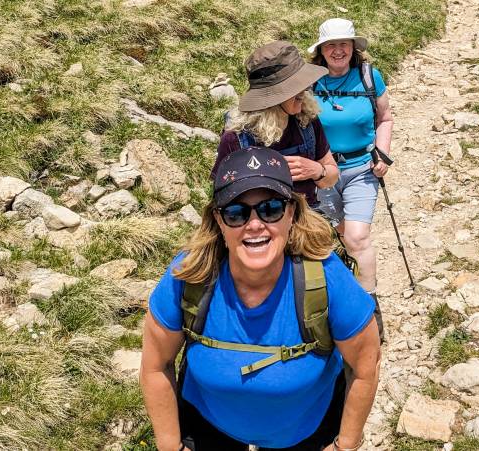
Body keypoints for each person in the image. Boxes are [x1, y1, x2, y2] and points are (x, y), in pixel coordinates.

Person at [141, 146, 380, 451]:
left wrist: (344, 445)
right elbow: (155, 365)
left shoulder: (327, 279)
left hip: (307, 430)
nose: (254, 224)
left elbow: (365, 366)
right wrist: (170, 446)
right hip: (208, 423)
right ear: (219, 221)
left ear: (291, 213)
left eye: (270, 209)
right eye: (236, 212)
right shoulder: (189, 276)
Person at [309, 18, 394, 309]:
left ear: (353, 47)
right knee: (340, 233)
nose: (337, 51)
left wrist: (382, 154)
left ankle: (368, 305)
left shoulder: (370, 76)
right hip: (321, 173)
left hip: (362, 169)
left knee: (357, 237)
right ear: (321, 50)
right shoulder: (308, 82)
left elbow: (385, 118)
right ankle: (345, 284)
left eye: (343, 44)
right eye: (330, 45)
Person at [213, 40, 339, 209]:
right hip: (261, 226)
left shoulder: (307, 121)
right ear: (272, 98)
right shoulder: (236, 138)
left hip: (308, 221)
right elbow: (222, 198)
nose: (304, 91)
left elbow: (331, 177)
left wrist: (317, 170)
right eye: (295, 87)